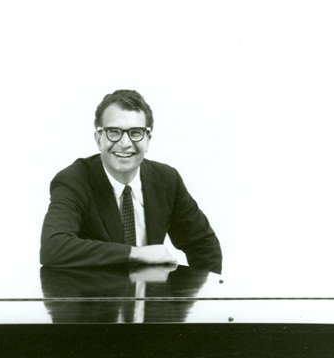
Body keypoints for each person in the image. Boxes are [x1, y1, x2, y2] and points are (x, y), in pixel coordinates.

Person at [40, 89, 222, 272]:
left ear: (148, 140)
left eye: (135, 133)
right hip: (92, 290)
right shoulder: (73, 180)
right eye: (113, 132)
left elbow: (203, 244)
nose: (125, 143)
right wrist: (135, 253)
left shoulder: (167, 179)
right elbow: (53, 247)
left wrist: (204, 289)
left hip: (148, 289)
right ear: (98, 139)